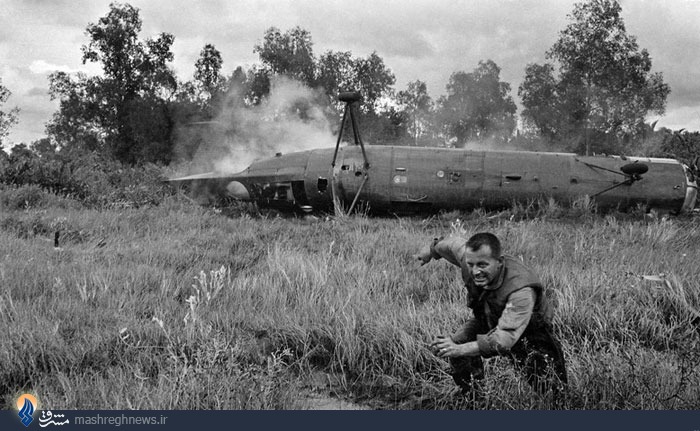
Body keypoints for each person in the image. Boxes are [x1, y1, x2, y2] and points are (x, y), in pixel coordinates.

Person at [414, 232, 567, 401]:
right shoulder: (469, 259)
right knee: (458, 342)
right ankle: (474, 399)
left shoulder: (521, 291)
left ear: (499, 262)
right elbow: (452, 245)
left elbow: (503, 340)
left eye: (482, 265)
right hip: (488, 315)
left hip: (528, 330)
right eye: (471, 264)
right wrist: (431, 250)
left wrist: (458, 350)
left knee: (553, 390)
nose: (475, 272)